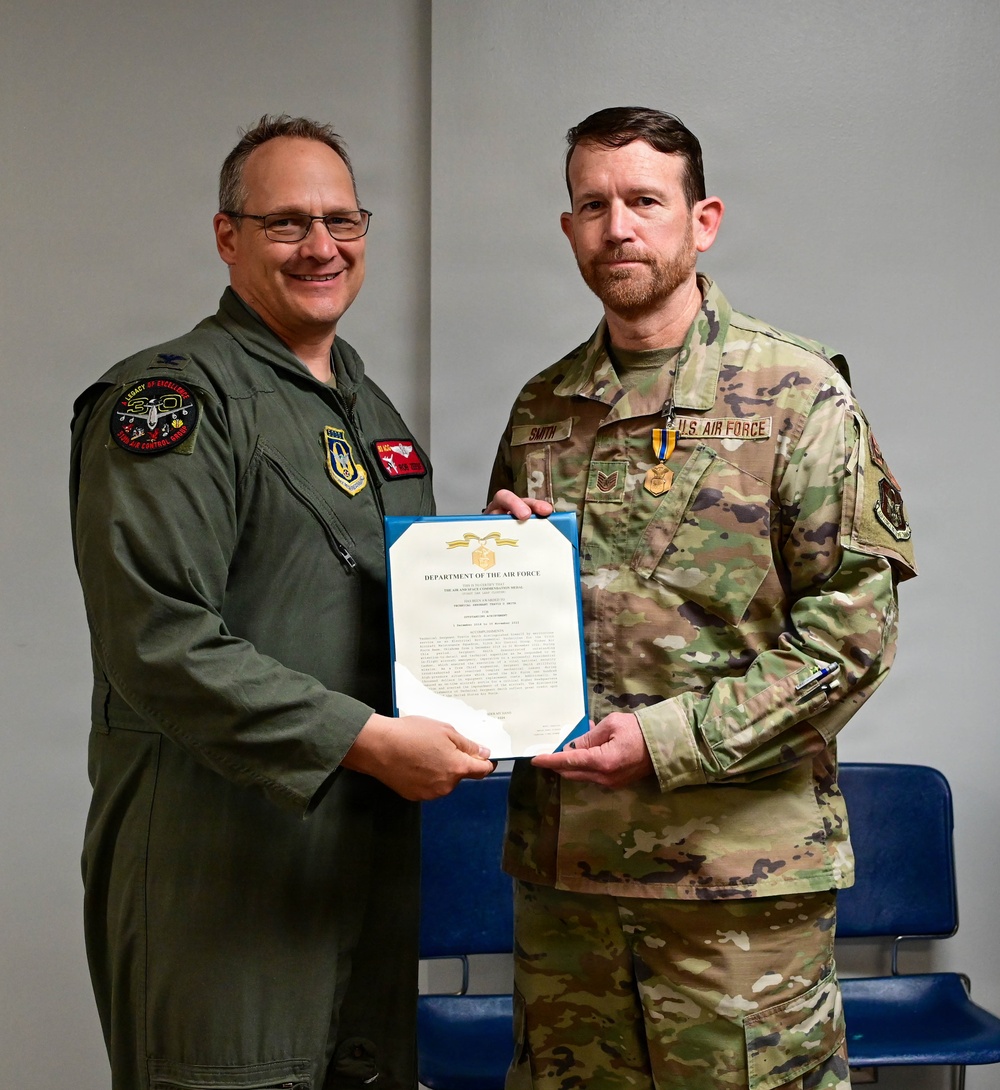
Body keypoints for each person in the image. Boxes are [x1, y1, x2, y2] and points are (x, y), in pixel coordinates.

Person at [486, 106, 916, 1090]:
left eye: (643, 200)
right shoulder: (544, 407)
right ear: (568, 230)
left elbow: (847, 641)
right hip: (569, 887)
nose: (617, 228)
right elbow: (521, 637)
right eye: (592, 205)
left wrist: (671, 739)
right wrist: (498, 562)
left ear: (702, 219)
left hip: (735, 893)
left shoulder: (797, 395)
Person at [69, 115, 494, 1090]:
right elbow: (158, 639)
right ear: (228, 237)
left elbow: (391, 601)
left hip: (360, 869)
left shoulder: (368, 409)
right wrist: (367, 741)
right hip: (218, 868)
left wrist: (497, 555)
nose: (321, 248)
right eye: (286, 224)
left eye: (342, 221)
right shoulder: (171, 400)